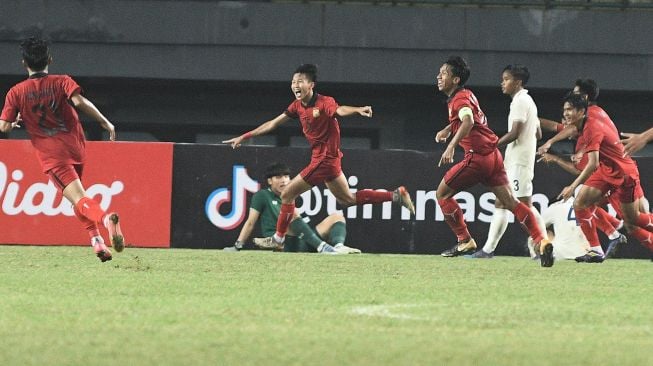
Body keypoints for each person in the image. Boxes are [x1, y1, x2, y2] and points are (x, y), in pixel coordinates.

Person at [223, 64, 415, 249]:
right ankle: (396, 196)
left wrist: (357, 109)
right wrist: (245, 136)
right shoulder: (297, 106)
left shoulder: (325, 102)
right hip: (330, 161)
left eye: (300, 81)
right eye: (293, 82)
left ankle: (278, 238)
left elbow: (339, 110)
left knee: (287, 194)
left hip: (324, 159)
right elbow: (273, 123)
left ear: (311, 85)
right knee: (347, 199)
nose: (295, 85)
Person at [0, 37, 124, 262]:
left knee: (79, 199)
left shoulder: (15, 92)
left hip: (52, 156)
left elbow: (4, 126)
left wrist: (16, 118)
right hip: (76, 147)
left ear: (23, 63)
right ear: (49, 59)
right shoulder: (62, 81)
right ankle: (97, 242)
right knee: (79, 198)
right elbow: (79, 102)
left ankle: (106, 220)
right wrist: (104, 121)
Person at [433, 56, 553, 267]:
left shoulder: (460, 99)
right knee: (511, 203)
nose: (439, 76)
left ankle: (464, 240)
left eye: (444, 73)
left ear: (456, 79)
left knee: (442, 194)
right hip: (494, 157)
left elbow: (469, 121)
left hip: (478, 157)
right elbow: (471, 120)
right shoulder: (467, 94)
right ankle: (541, 241)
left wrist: (451, 145)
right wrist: (447, 128)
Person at [554, 93, 653, 261]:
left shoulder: (592, 128)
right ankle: (595, 250)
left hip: (623, 173)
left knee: (633, 219)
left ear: (581, 111)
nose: (566, 113)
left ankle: (613, 233)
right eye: (565, 110)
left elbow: (592, 163)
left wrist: (572, 186)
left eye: (570, 109)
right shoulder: (583, 126)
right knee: (580, 202)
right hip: (606, 171)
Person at [467, 64, 548, 259]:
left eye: (506, 79)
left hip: (519, 162)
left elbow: (515, 133)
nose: (502, 83)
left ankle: (541, 246)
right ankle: (540, 246)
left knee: (518, 205)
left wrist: (492, 144)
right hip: (520, 161)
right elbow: (538, 132)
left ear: (517, 82)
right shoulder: (529, 101)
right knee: (505, 203)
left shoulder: (520, 101)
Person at [223, 162, 359, 254]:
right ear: (270, 181)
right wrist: (238, 246)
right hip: (281, 243)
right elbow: (250, 222)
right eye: (278, 177)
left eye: (287, 176)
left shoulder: (289, 195)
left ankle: (338, 247)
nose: (284, 180)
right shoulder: (262, 195)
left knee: (337, 217)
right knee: (292, 213)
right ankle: (324, 248)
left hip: (302, 241)